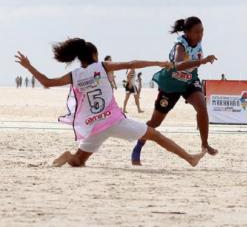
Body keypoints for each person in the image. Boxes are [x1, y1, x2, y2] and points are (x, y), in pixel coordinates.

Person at [14, 38, 206, 167]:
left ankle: (68, 156)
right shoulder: (102, 67)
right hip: (114, 121)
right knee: (155, 135)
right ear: (95, 56)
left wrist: (28, 65)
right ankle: (190, 159)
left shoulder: (75, 74)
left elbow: (47, 82)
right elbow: (132, 63)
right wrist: (157, 62)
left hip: (94, 126)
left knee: (78, 161)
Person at [131, 16, 218, 165]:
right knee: (155, 122)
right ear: (187, 32)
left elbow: (192, 63)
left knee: (202, 107)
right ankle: (138, 147)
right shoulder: (180, 45)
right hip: (171, 85)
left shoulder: (198, 42)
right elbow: (178, 65)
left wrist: (198, 63)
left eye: (202, 31)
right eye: (197, 32)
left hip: (189, 81)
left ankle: (204, 143)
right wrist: (201, 61)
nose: (200, 35)